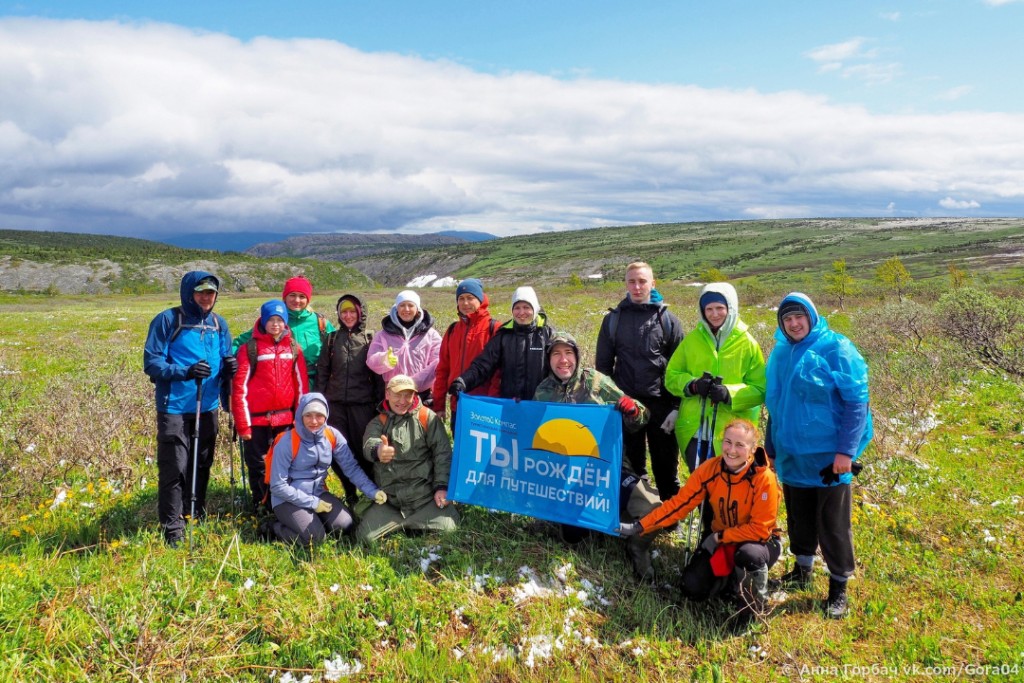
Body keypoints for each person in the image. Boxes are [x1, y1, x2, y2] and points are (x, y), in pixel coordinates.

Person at [764, 292, 872, 619]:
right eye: (787, 318)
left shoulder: (835, 348)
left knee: (833, 523)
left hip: (829, 459)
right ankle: (802, 570)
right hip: (792, 456)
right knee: (799, 516)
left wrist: (845, 452)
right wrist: (770, 449)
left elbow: (857, 402)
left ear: (811, 316)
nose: (794, 323)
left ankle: (838, 588)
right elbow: (776, 406)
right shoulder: (781, 353)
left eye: (799, 316)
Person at [619, 419, 781, 624]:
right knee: (691, 588)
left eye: (740, 445)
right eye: (728, 442)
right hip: (721, 541)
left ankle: (751, 610)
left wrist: (719, 536)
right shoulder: (710, 469)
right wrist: (641, 525)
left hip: (760, 542)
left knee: (749, 554)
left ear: (752, 449)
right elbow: (679, 504)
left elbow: (760, 529)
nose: (732, 450)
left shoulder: (764, 478)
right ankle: (730, 582)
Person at [533, 332, 664, 581]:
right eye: (556, 354)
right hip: (567, 476)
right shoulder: (542, 392)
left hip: (609, 469)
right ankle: (597, 521)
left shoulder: (596, 382)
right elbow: (535, 436)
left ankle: (637, 546)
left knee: (653, 508)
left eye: (568, 353)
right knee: (573, 537)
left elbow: (641, 418)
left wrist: (632, 410)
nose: (563, 360)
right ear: (549, 360)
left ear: (577, 357)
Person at [143, 271, 234, 547]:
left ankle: (194, 512)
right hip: (175, 407)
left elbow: (226, 358)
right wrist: (185, 371)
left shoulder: (219, 324)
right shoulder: (169, 320)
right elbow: (151, 362)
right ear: (188, 292)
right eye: (201, 292)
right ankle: (172, 528)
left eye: (211, 293)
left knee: (202, 462)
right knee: (175, 466)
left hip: (207, 407)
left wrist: (231, 369)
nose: (206, 298)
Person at [596, 262, 684, 499]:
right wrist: (612, 401)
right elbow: (603, 368)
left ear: (653, 284)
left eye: (642, 281)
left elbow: (681, 369)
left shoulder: (668, 321)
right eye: (632, 281)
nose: (637, 287)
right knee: (633, 467)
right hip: (627, 406)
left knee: (665, 466)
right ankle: (641, 516)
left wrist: (676, 408)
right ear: (625, 284)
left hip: (661, 406)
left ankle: (669, 519)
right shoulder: (613, 320)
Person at [664, 282, 766, 474]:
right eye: (709, 309)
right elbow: (671, 376)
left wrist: (729, 393)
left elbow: (760, 389)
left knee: (728, 492)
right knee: (701, 488)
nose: (714, 314)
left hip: (733, 436)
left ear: (731, 308)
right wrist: (692, 385)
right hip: (694, 431)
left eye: (720, 308)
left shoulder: (748, 344)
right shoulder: (692, 340)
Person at [268, 393, 386, 544]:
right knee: (314, 539)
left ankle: (312, 521)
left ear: (326, 416)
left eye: (319, 415)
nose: (314, 421)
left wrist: (372, 491)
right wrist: (312, 503)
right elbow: (278, 486)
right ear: (300, 416)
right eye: (308, 415)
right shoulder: (286, 442)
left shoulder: (332, 435)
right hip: (287, 499)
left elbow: (351, 468)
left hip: (317, 493)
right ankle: (274, 528)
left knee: (345, 526)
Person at [357, 375, 458, 542]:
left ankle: (417, 522)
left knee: (451, 530)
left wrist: (442, 487)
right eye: (397, 395)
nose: (403, 401)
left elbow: (443, 454)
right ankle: (409, 524)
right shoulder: (378, 421)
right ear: (387, 394)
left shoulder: (428, 418)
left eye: (408, 395)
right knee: (364, 537)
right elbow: (369, 442)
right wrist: (378, 450)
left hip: (425, 499)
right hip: (392, 502)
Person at [231, 300, 308, 512]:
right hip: (256, 420)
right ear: (263, 321)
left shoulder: (293, 348)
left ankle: (282, 506)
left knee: (284, 465)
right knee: (258, 465)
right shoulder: (250, 349)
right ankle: (261, 506)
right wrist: (243, 426)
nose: (275, 324)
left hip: (285, 420)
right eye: (271, 320)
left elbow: (302, 387)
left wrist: (300, 420)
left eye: (280, 320)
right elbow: (239, 389)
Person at [314, 294, 384, 506]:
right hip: (335, 407)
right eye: (344, 312)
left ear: (360, 313)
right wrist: (319, 404)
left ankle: (371, 494)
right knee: (338, 453)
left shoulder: (371, 339)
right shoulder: (332, 339)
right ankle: (350, 493)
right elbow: (322, 374)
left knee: (364, 452)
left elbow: (379, 377)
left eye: (352, 311)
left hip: (363, 407)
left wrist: (381, 406)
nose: (348, 316)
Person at [449, 286, 555, 402]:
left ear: (535, 309)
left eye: (526, 307)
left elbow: (564, 367)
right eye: (517, 308)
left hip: (541, 407)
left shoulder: (549, 335)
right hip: (511, 407)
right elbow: (483, 365)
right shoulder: (504, 335)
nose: (521, 312)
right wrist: (464, 381)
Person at [232, 277, 334, 386]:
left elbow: (338, 348)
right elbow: (238, 343)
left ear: (308, 299)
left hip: (315, 385)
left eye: (302, 296)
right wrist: (231, 360)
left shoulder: (320, 322)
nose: (297, 300)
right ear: (285, 297)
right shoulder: (274, 320)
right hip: (283, 387)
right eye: (292, 295)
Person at [433, 278, 501, 429]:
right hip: (458, 405)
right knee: (460, 450)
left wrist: (491, 403)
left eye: (470, 298)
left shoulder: (494, 328)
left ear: (480, 299)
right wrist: (438, 405)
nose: (465, 303)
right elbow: (443, 369)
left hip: (484, 406)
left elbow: (499, 372)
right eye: (461, 299)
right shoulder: (452, 330)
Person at [367, 290, 442, 408]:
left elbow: (438, 362)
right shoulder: (383, 335)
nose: (406, 309)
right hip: (393, 394)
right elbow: (371, 360)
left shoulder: (431, 335)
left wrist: (414, 382)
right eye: (402, 305)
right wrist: (384, 359)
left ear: (417, 309)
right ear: (397, 308)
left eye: (410, 305)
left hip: (421, 395)